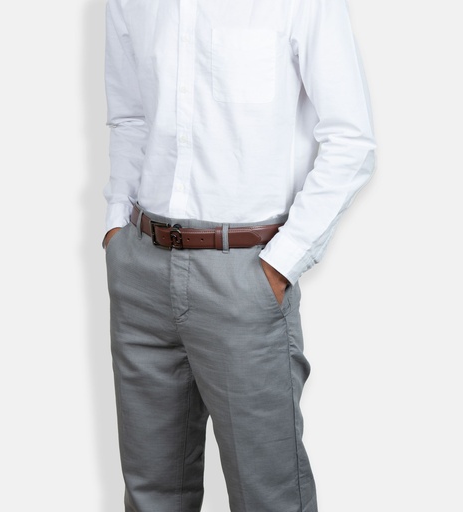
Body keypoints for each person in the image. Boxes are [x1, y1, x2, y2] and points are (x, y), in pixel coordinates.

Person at [101, 0, 376, 510]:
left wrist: (280, 264)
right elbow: (131, 117)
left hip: (244, 278)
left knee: (268, 497)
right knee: (150, 495)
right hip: (141, 272)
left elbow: (350, 140)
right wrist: (117, 223)